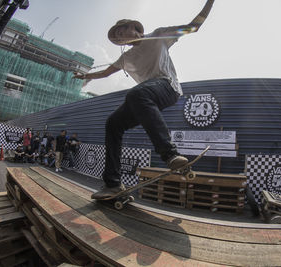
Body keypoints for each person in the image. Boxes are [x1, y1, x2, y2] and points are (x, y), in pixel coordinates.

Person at [74, 0, 215, 198]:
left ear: (133, 27)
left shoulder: (159, 36)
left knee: (137, 93)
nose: (120, 40)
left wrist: (209, 3)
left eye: (121, 34)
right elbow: (105, 74)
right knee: (113, 124)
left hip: (167, 87)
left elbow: (194, 26)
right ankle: (113, 184)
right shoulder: (126, 58)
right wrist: (86, 76)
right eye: (117, 40)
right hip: (144, 99)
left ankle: (170, 154)